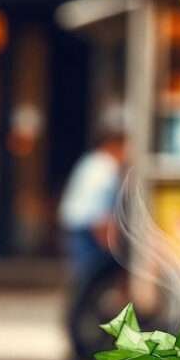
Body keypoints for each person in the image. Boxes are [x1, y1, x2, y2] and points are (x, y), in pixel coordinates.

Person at [58, 106, 127, 288]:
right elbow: (99, 213)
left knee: (84, 274)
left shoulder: (91, 162)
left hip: (77, 225)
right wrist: (108, 242)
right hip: (88, 229)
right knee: (90, 276)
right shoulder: (105, 168)